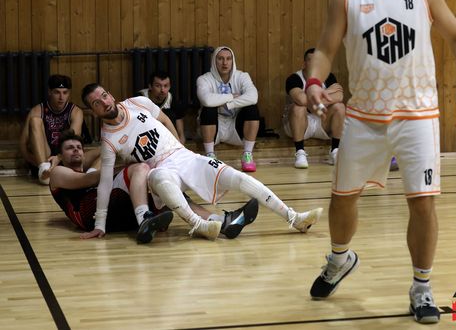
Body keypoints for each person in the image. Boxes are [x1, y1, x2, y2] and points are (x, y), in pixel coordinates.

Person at [305, 0, 456, 325]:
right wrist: (314, 82)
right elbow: (325, 49)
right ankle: (340, 259)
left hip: (417, 116)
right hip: (364, 117)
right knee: (342, 199)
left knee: (422, 202)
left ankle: (421, 287)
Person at [80, 83, 322, 241]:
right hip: (161, 170)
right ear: (93, 111)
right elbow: (105, 182)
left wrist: (180, 146)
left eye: (104, 96)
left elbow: (165, 120)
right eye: (97, 103)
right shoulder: (108, 140)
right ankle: (199, 226)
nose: (104, 103)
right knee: (157, 177)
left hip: (185, 157)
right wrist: (100, 223)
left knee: (238, 177)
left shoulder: (137, 102)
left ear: (110, 94)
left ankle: (294, 218)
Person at [50, 129, 259, 242]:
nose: (76, 150)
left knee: (163, 185)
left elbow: (100, 154)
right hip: (89, 215)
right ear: (60, 155)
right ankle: (145, 218)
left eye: (79, 147)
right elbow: (89, 180)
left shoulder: (90, 167)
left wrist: (112, 145)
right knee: (139, 168)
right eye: (70, 148)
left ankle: (221, 222)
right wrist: (121, 157)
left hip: (117, 215)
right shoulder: (58, 173)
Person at [196, 46, 260, 172]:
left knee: (252, 108)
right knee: (209, 108)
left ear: (232, 61)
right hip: (214, 125)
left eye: (228, 59)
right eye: (220, 59)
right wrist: (231, 96)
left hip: (235, 124)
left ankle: (247, 155)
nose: (225, 63)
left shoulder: (242, 76)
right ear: (214, 61)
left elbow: (253, 97)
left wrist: (228, 104)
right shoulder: (204, 79)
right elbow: (207, 100)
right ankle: (210, 156)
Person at [283, 47, 345, 168]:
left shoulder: (328, 77)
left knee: (340, 107)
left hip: (322, 122)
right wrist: (327, 92)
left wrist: (313, 99)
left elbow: (339, 96)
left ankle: (335, 150)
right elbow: (301, 100)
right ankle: (300, 152)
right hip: (300, 124)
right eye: (311, 60)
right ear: (304, 64)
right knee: (298, 107)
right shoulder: (294, 78)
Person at [20, 74, 84, 185]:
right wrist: (36, 162)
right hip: (44, 158)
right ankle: (44, 170)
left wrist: (59, 158)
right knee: (35, 120)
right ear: (50, 92)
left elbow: (74, 140)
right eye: (57, 92)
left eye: (65, 92)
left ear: (69, 93)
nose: (61, 97)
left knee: (74, 144)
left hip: (63, 158)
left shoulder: (75, 111)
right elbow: (23, 146)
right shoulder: (37, 110)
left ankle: (52, 172)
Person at [137, 71, 187, 144]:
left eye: (166, 86)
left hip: (166, 139)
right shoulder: (140, 98)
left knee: (169, 114)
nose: (162, 90)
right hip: (145, 139)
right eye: (158, 86)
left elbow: (180, 131)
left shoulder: (172, 99)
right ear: (150, 86)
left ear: (170, 87)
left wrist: (181, 143)